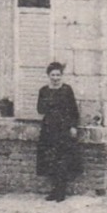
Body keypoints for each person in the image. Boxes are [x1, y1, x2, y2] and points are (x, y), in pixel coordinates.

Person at [36, 62, 81, 202]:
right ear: (48, 76)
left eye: (58, 75)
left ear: (62, 76)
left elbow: (73, 110)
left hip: (63, 130)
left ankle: (61, 191)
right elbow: (40, 109)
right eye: (53, 75)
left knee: (62, 159)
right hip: (49, 129)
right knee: (50, 160)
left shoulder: (67, 90)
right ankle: (54, 191)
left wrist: (73, 127)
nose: (55, 78)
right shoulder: (43, 91)